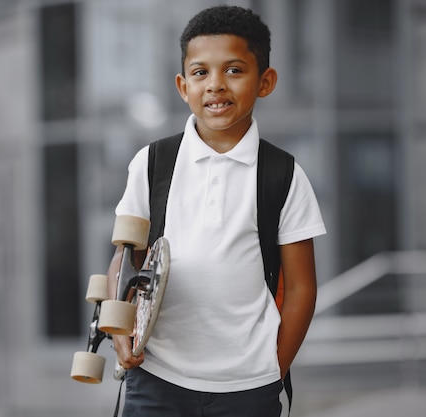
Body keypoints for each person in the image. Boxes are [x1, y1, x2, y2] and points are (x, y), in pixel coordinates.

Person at [106, 5, 326, 417]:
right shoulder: (152, 163)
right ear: (182, 85)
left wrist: (272, 371)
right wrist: (120, 329)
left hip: (248, 388)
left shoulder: (283, 174)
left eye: (234, 70)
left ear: (265, 82)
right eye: (201, 72)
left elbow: (301, 289)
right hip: (156, 378)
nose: (215, 85)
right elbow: (124, 256)